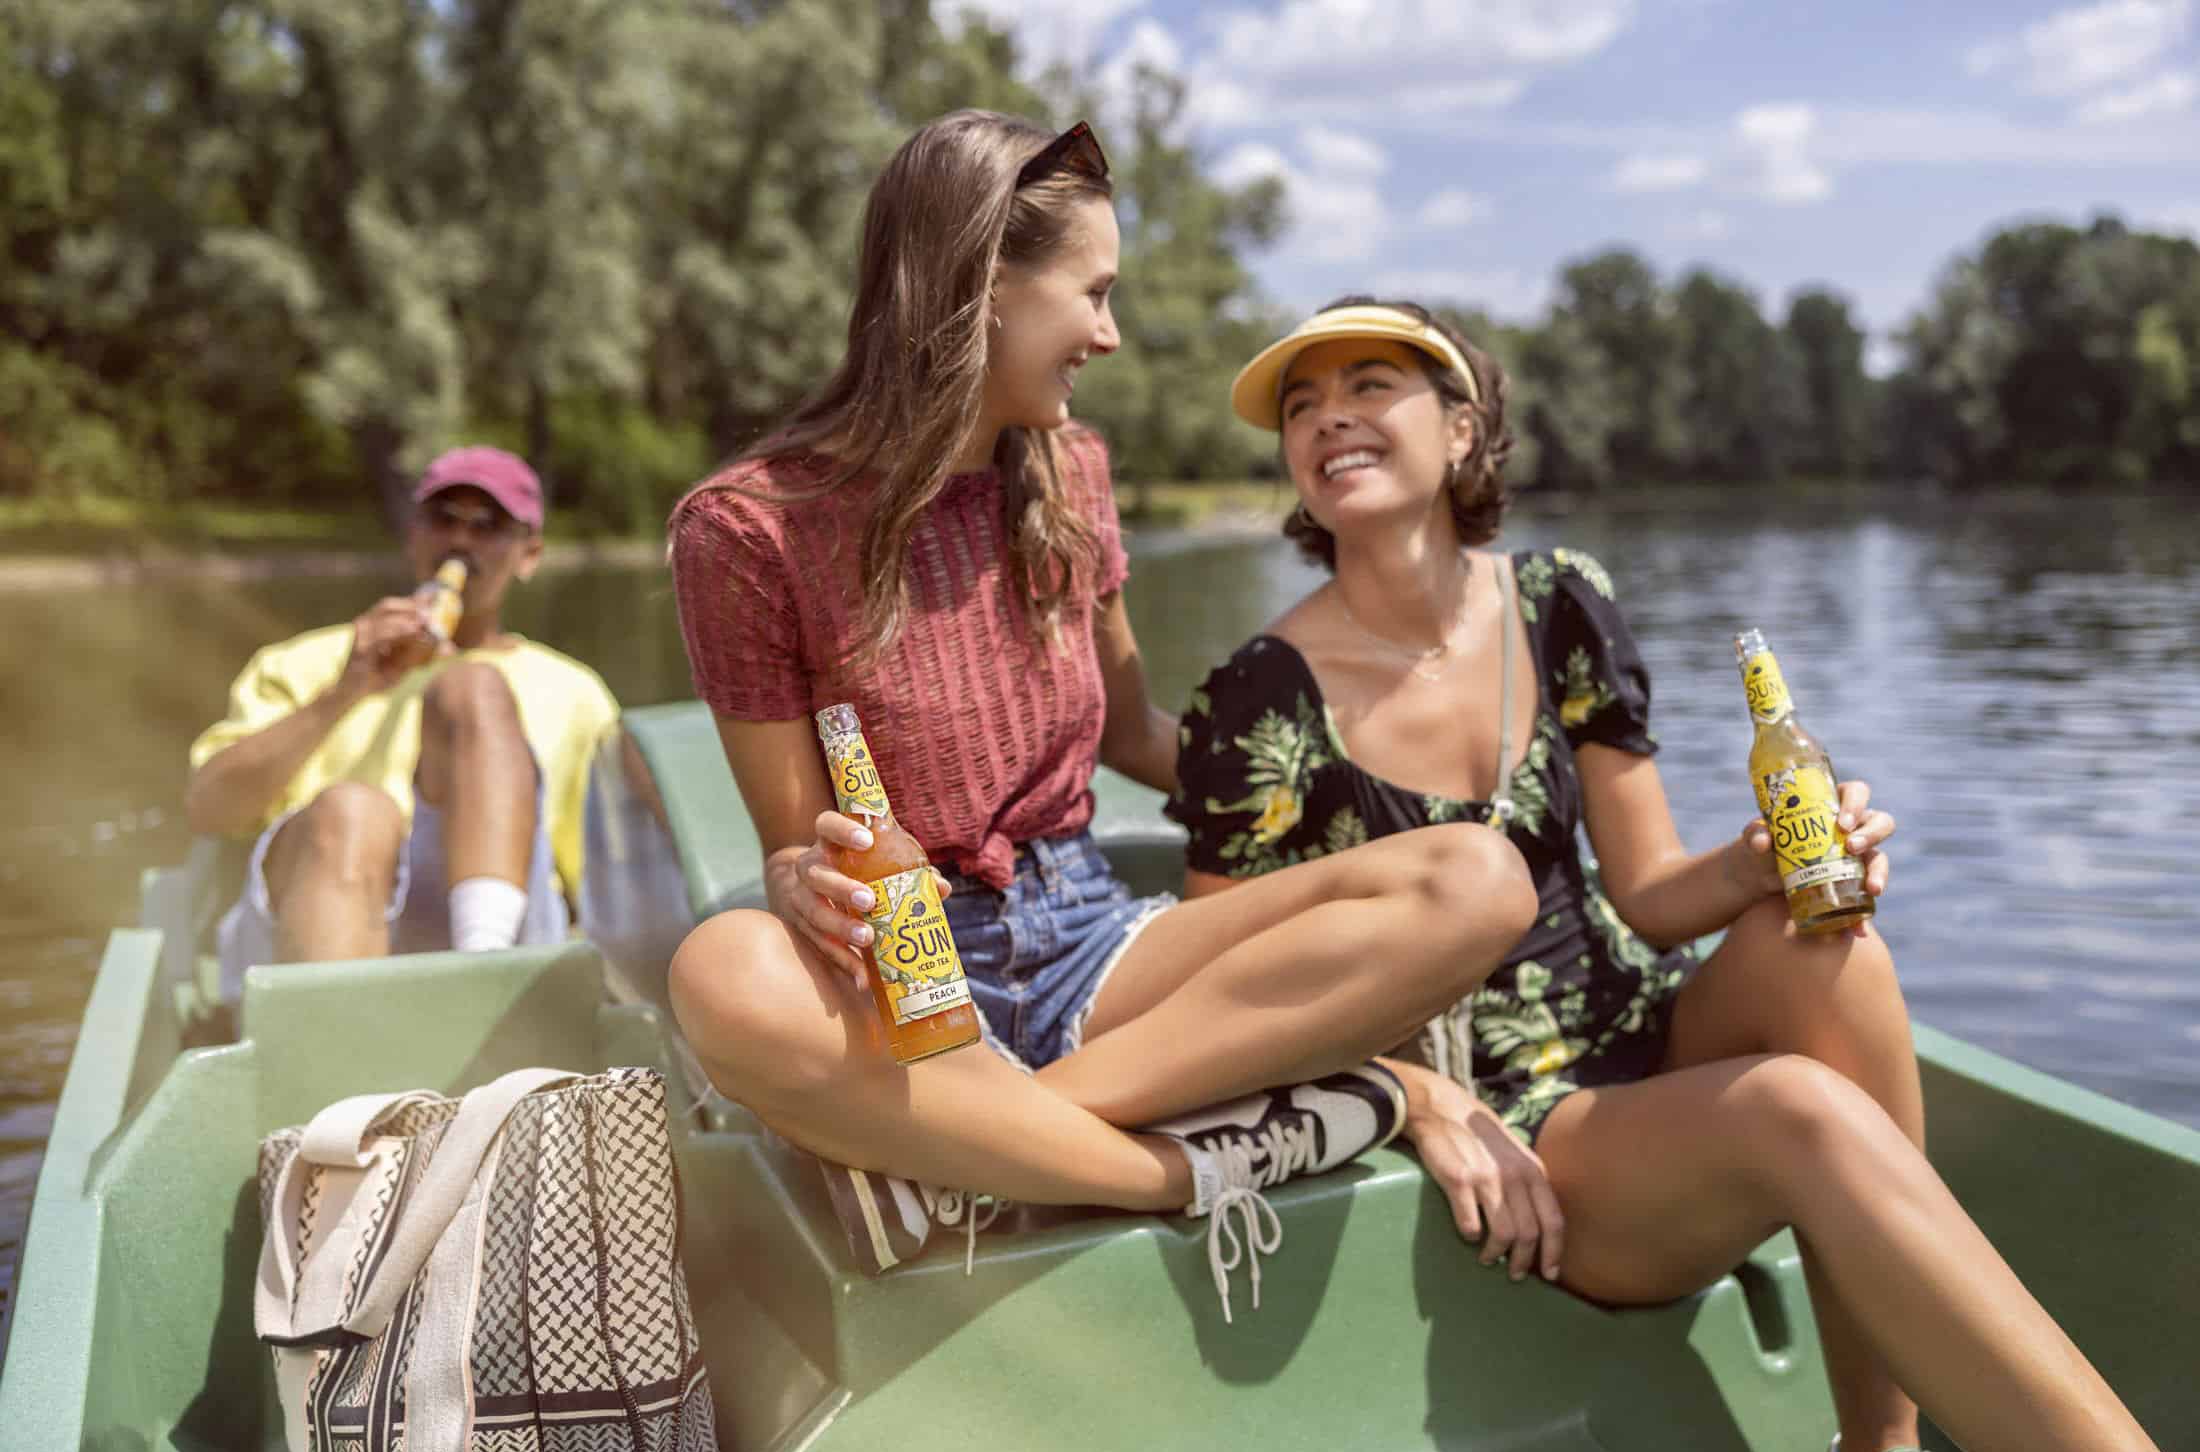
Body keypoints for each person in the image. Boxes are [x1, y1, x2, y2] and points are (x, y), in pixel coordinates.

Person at [1169, 296, 2168, 1452]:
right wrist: (1424, 1104)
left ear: (1460, 430)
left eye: (1368, 386)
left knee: (1831, 949)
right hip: (1520, 1120)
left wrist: (1766, 865)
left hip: (1643, 1027)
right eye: (1301, 406)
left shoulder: (1558, 603)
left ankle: (1877, 1451)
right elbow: (1217, 1000)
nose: (1328, 418)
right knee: (1801, 1107)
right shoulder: (1255, 700)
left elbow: (1646, 891)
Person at [663, 113, 1538, 1312]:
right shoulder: (748, 529)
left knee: (1476, 879)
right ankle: (1158, 1171)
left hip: (1091, 942)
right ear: (980, 287)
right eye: (1094, 293)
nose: (1110, 335)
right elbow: (797, 844)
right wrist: (796, 882)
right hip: (915, 979)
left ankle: (981, 1151)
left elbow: (1133, 737)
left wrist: (1351, 831)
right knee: (723, 975)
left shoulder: (1068, 471)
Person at [187, 446, 622, 998]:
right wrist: (348, 689)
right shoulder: (306, 663)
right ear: (413, 533)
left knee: (473, 690)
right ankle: (341, 1042)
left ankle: (481, 970)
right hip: (323, 916)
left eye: (488, 526)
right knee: (353, 811)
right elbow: (210, 810)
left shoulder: (574, 691)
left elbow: (602, 884)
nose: (460, 542)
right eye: (443, 519)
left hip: (512, 937)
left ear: (529, 554)